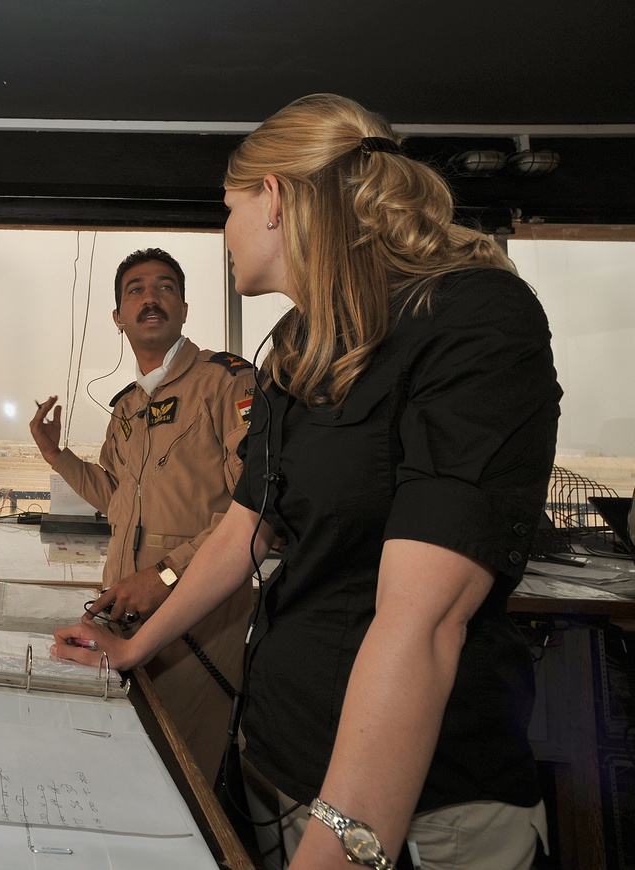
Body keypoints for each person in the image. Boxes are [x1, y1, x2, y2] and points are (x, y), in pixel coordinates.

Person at [51, 94, 561, 870]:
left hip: (417, 811)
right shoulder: (298, 342)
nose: (223, 234)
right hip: (280, 765)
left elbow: (425, 620)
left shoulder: (474, 318)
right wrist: (132, 649)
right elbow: (245, 526)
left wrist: (343, 844)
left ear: (276, 199)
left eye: (228, 210)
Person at [30, 248, 257, 786]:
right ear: (118, 317)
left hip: (198, 614)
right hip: (124, 607)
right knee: (125, 757)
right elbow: (113, 496)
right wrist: (55, 455)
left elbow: (253, 505)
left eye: (164, 287)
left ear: (182, 308)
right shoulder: (128, 406)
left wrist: (168, 574)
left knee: (181, 768)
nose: (149, 298)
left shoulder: (228, 383)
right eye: (135, 289)